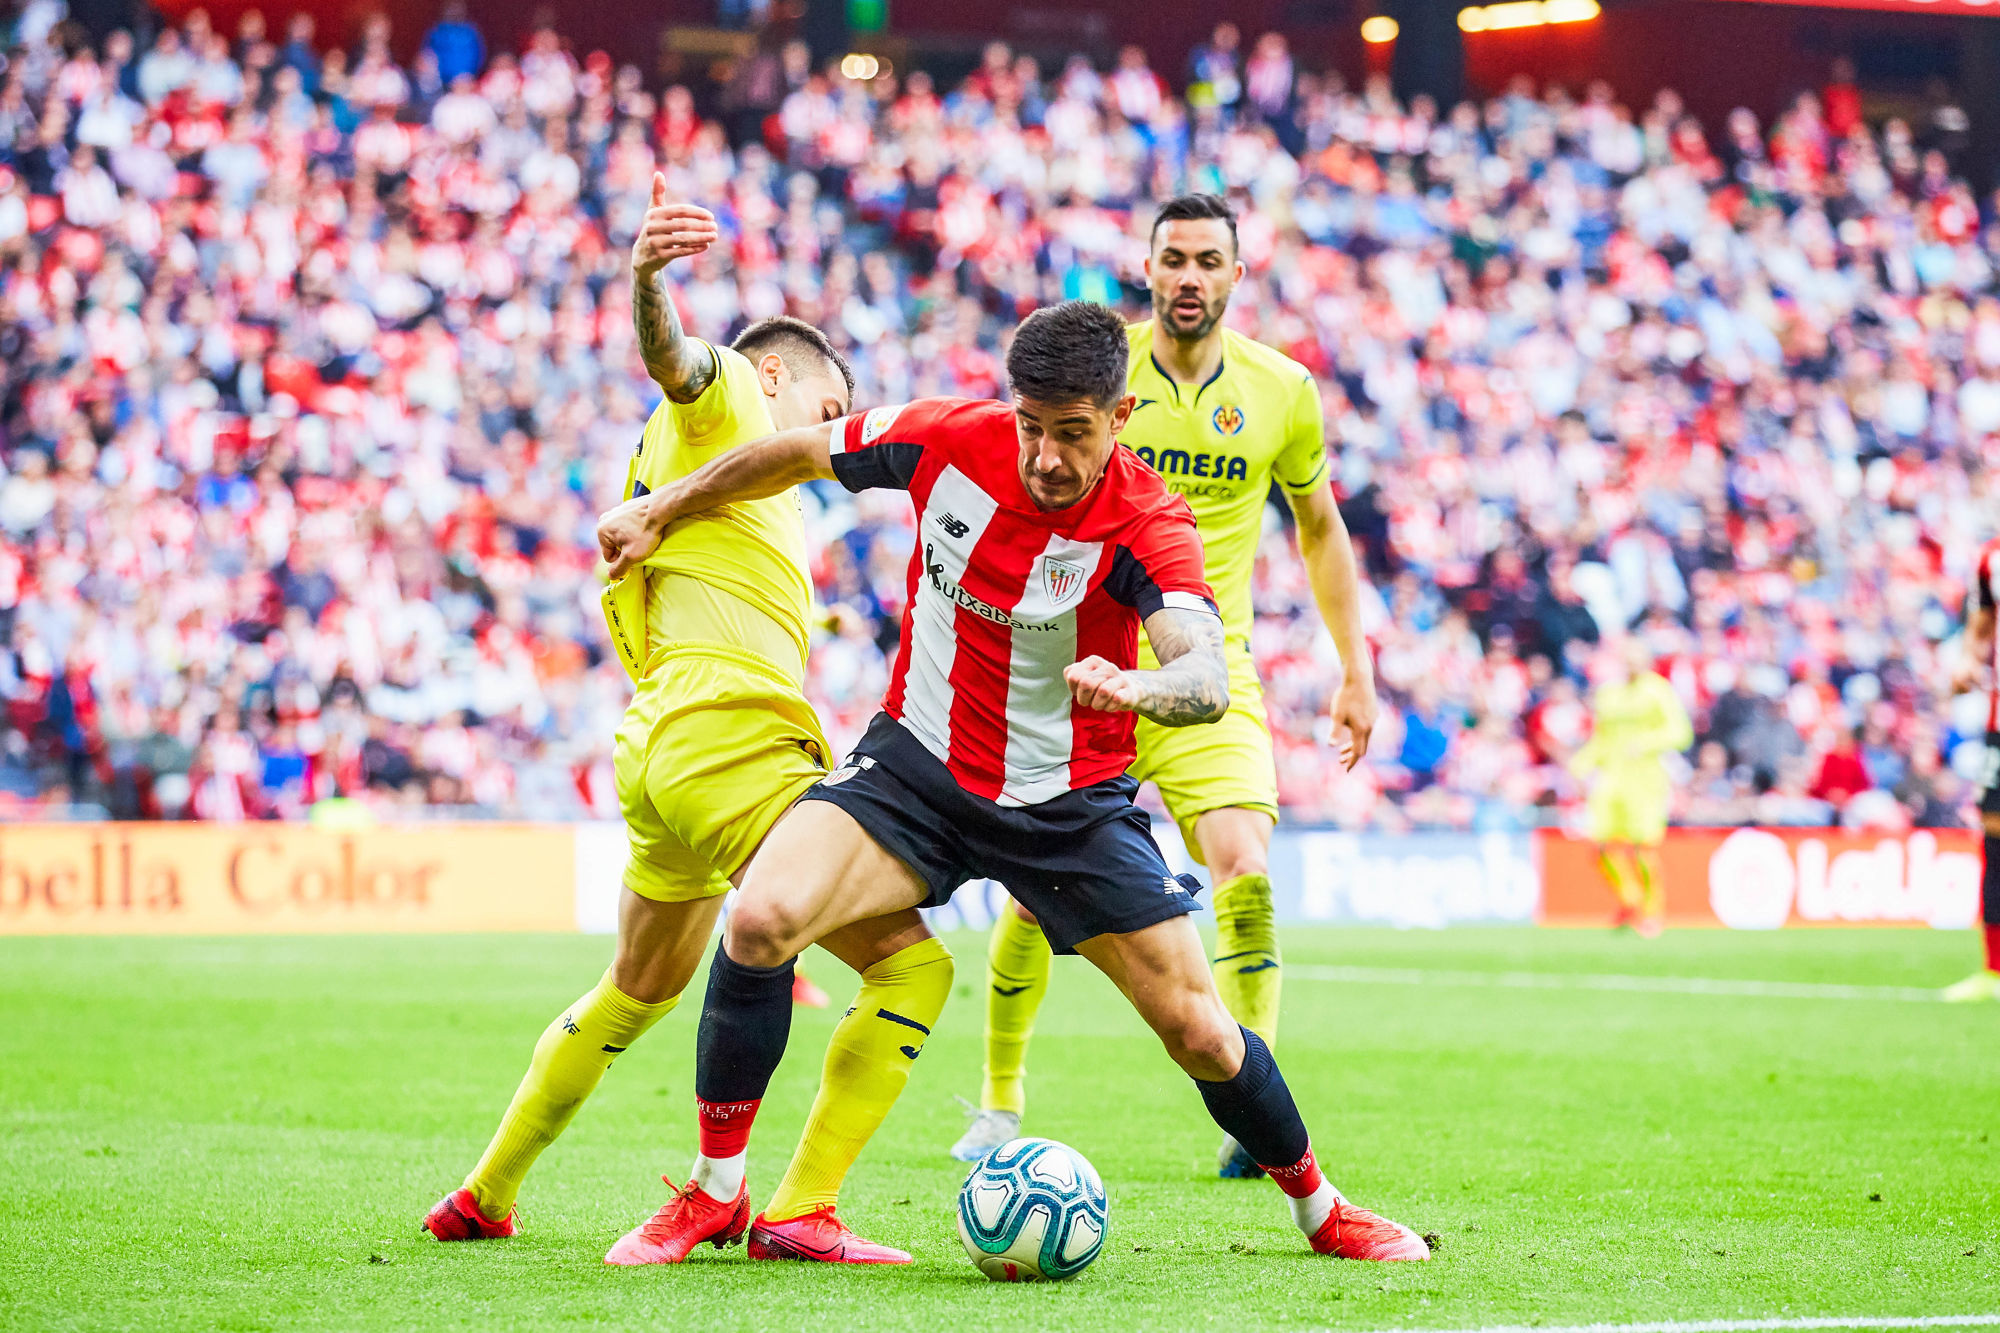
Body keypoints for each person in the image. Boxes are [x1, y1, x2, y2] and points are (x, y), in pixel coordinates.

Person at [592, 299, 1429, 1265]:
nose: (1044, 456)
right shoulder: (945, 438)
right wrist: (664, 507)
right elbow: (799, 452)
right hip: (917, 772)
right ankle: (717, 1192)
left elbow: (1204, 677)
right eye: (1031, 426)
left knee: (1201, 1030)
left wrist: (1145, 684)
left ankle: (1322, 1209)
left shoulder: (1151, 521)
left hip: (1066, 810)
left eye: (1072, 433)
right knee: (760, 919)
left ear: (1118, 419)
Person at [421, 175, 919, 1248]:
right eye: (828, 411)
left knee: (635, 986)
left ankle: (485, 1193)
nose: (833, 442)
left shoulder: (724, 488)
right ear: (780, 374)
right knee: (910, 962)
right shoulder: (735, 393)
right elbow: (680, 358)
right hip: (726, 736)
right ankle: (788, 1207)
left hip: (661, 748)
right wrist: (648, 276)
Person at [950, 194, 1378, 1178]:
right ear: (1146, 270)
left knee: (1244, 866)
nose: (1188, 277)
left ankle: (1248, 1108)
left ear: (1234, 275)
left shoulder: (1281, 391)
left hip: (1200, 669)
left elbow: (1318, 528)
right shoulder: (1099, 378)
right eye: (1172, 260)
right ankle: (999, 1099)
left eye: (1207, 262)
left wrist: (1354, 665)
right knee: (1031, 894)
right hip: (1082, 660)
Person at [1568, 637, 1693, 937]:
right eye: (1629, 658)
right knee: (1600, 847)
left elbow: (1680, 732)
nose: (1633, 664)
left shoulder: (1658, 690)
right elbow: (1602, 738)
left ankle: (1653, 912)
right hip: (1611, 780)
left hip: (1646, 779)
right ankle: (1631, 900)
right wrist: (1580, 764)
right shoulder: (1609, 694)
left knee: (1642, 847)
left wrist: (1647, 743)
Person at [1944, 540, 2000, 1002]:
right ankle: (1994, 970)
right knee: (1995, 831)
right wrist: (1968, 660)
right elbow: (1982, 624)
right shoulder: (1990, 557)